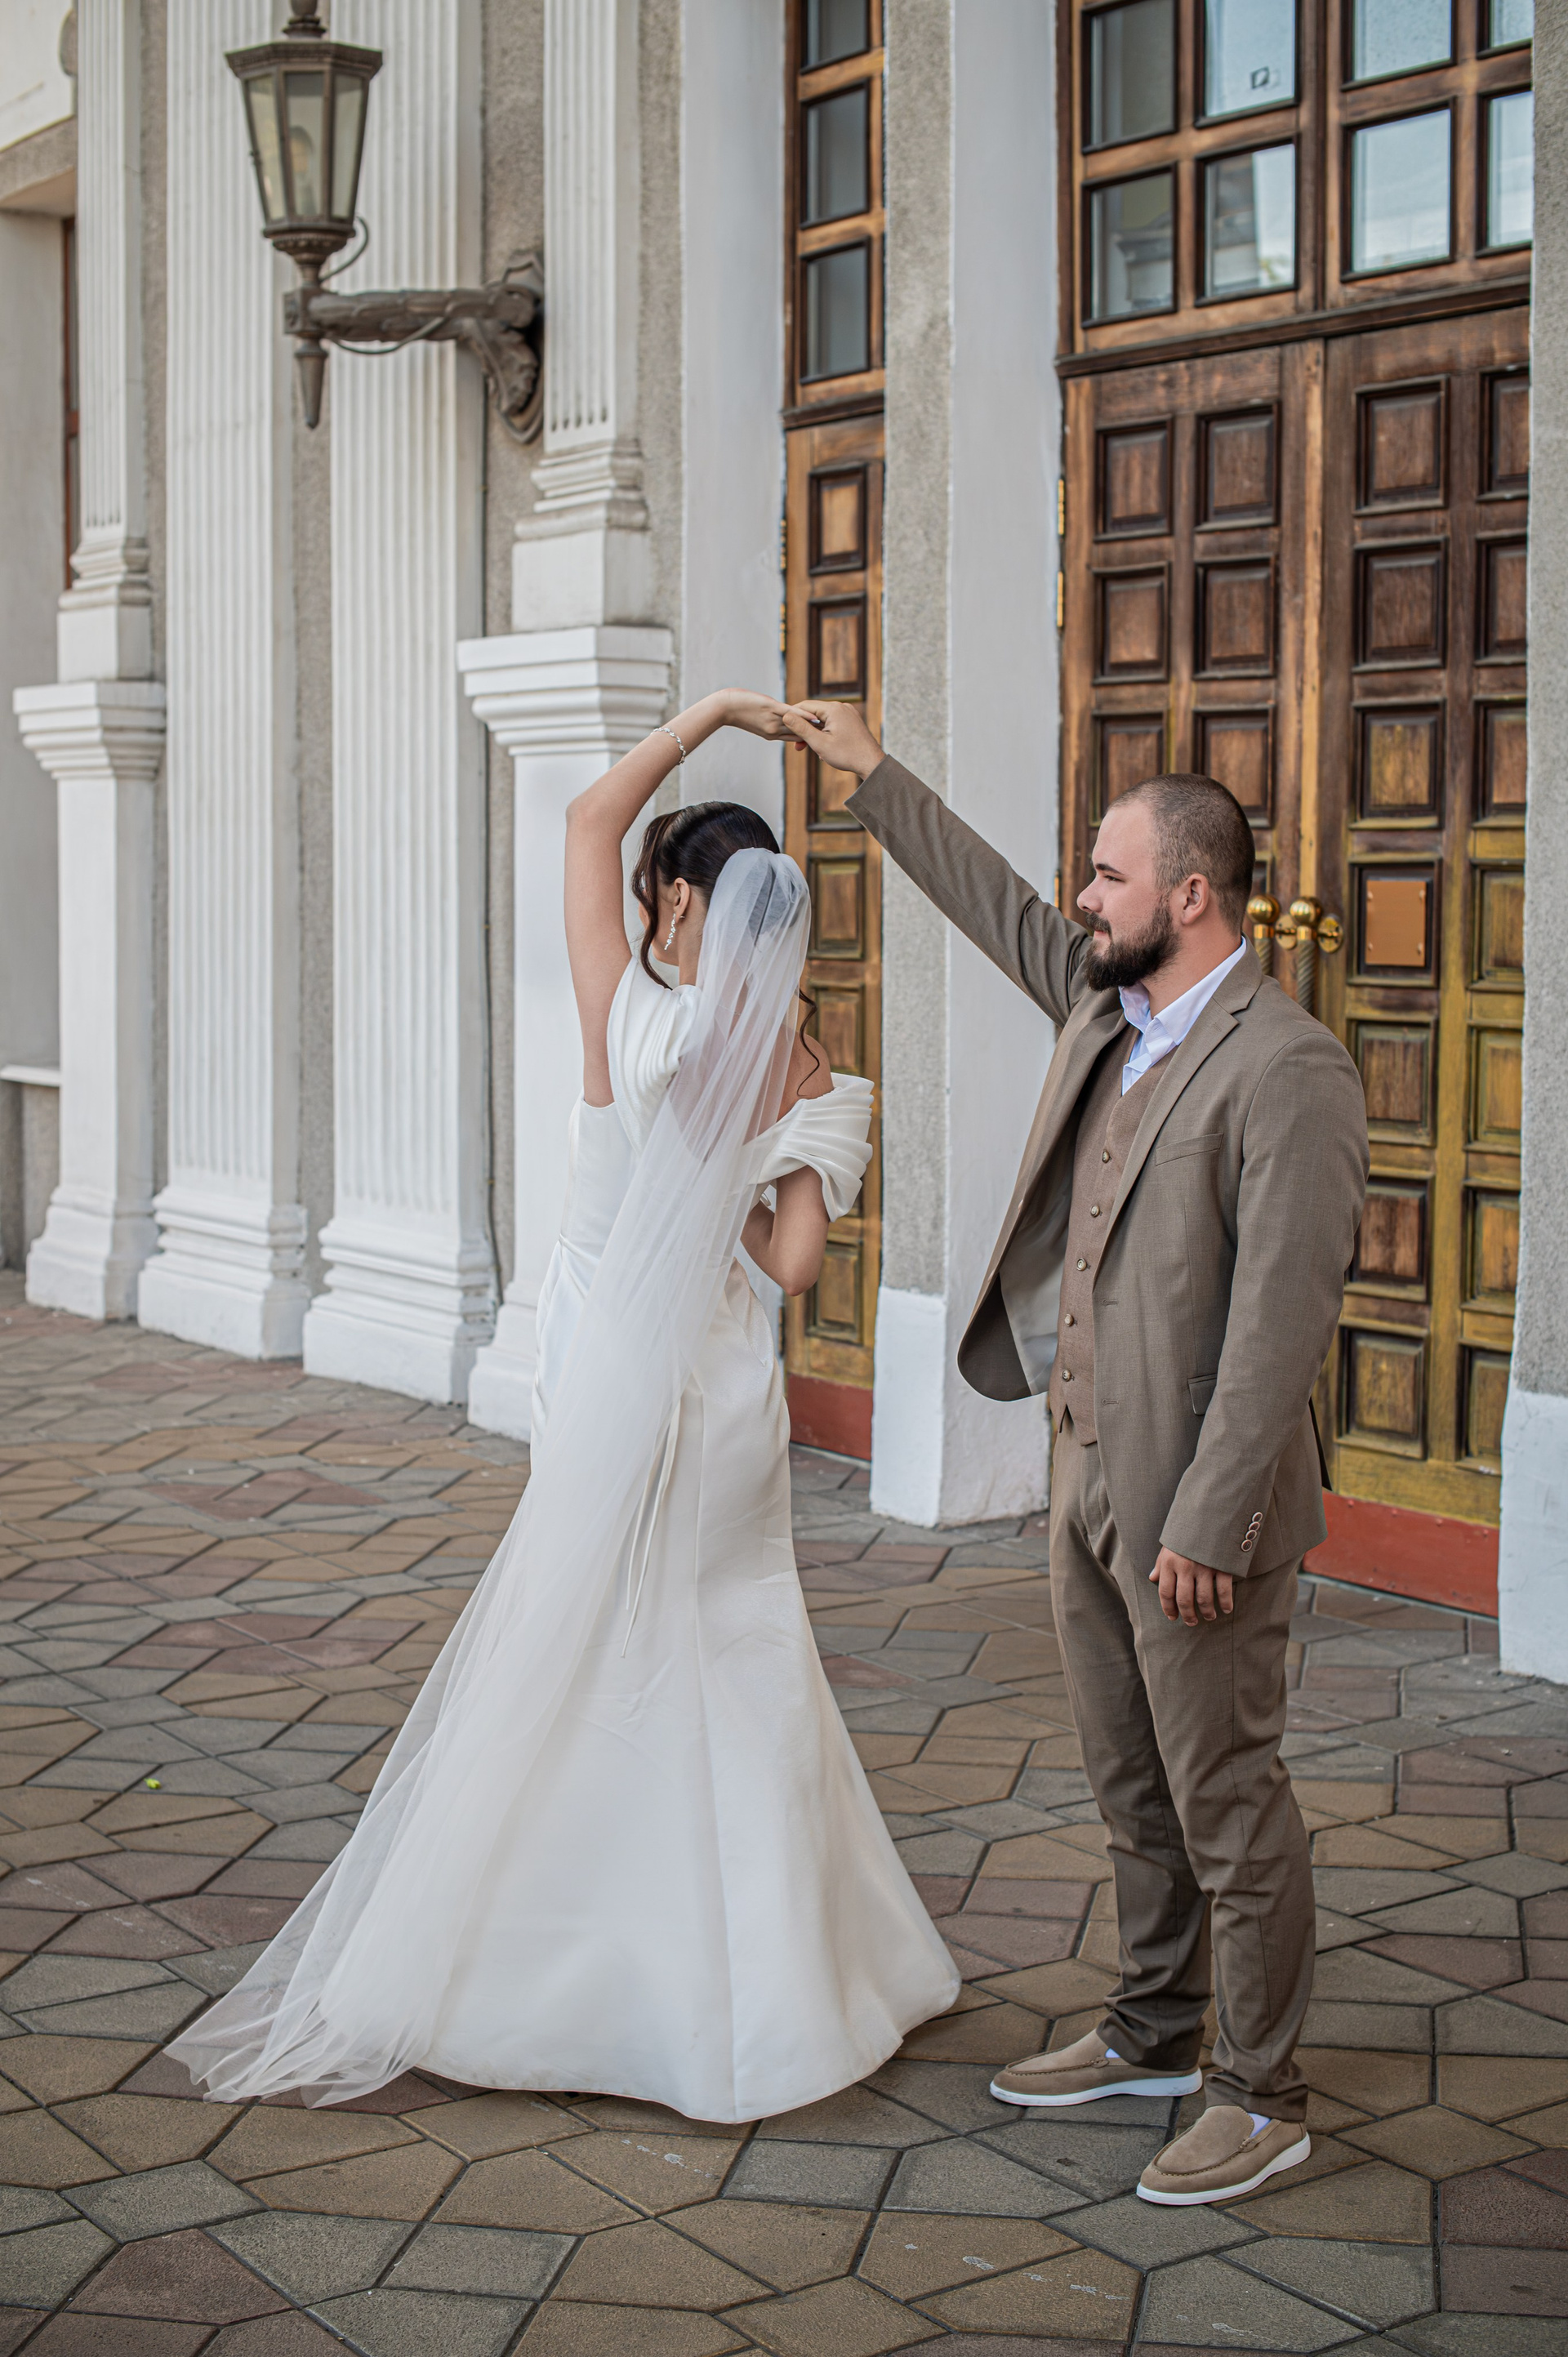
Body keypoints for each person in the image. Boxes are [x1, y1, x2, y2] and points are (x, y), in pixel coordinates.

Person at [169, 688, 958, 2122]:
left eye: (661, 891)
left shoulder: (634, 1016)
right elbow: (789, 1266)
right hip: (725, 1391)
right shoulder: (816, 1072)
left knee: (583, 1638)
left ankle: (536, 1965)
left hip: (608, 1371)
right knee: (739, 1634)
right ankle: (782, 1988)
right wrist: (728, 1190)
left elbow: (591, 817)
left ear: (678, 900)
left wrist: (715, 713)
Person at [782, 697, 1368, 2209]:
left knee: (1226, 1794)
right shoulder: (1107, 1006)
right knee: (1130, 1778)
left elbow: (1280, 1323)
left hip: (1201, 1504)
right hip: (1084, 1473)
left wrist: (1213, 1519)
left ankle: (1262, 2092)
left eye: (1110, 875)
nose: (1083, 899)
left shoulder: (1288, 1067)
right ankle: (1156, 2030)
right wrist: (872, 774)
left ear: (1192, 894)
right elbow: (998, 906)